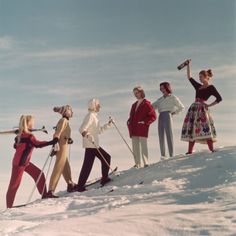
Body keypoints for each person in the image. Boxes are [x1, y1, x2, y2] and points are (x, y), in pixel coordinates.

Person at [6, 115, 58, 208]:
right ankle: (9, 207)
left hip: (24, 162)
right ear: (29, 124)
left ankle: (44, 194)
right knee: (14, 185)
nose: (34, 124)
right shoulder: (29, 136)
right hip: (19, 164)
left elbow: (16, 146)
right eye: (32, 122)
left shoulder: (20, 135)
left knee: (39, 174)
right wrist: (52, 141)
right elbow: (38, 144)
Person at [181, 60, 222, 154]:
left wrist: (209, 105)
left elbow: (219, 98)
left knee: (205, 127)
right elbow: (189, 77)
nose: (199, 79)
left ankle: (211, 149)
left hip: (202, 109)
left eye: (201, 77)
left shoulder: (211, 88)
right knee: (192, 127)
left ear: (207, 77)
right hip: (194, 108)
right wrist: (188, 65)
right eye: (199, 77)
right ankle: (189, 151)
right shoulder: (198, 86)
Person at [77, 98, 113, 192]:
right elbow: (81, 129)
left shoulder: (95, 117)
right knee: (106, 157)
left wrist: (108, 125)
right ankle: (104, 179)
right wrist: (88, 136)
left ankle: (80, 185)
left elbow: (99, 131)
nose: (100, 106)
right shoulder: (90, 116)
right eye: (98, 105)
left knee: (87, 165)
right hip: (91, 144)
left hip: (93, 144)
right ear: (93, 106)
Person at [44, 105, 76, 198]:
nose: (72, 112)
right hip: (61, 146)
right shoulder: (63, 121)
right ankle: (51, 190)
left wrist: (69, 139)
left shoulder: (65, 121)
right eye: (70, 110)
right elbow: (58, 132)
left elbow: (63, 133)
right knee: (59, 166)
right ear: (66, 112)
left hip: (64, 145)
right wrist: (55, 140)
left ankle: (70, 184)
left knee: (65, 166)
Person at [152, 82, 184, 159]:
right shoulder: (160, 99)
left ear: (167, 88)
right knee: (161, 135)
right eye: (161, 88)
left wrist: (174, 113)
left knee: (169, 134)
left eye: (163, 88)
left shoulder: (173, 97)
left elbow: (181, 107)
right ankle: (163, 155)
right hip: (161, 116)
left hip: (168, 115)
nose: (162, 90)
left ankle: (171, 154)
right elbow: (151, 107)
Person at [127, 86, 156, 168]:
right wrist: (129, 121)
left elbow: (153, 116)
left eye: (137, 93)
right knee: (135, 147)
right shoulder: (134, 105)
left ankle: (146, 162)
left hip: (142, 128)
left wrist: (145, 122)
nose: (135, 95)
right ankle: (137, 164)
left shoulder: (146, 104)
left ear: (141, 92)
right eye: (134, 93)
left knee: (143, 146)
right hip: (134, 128)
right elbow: (131, 116)